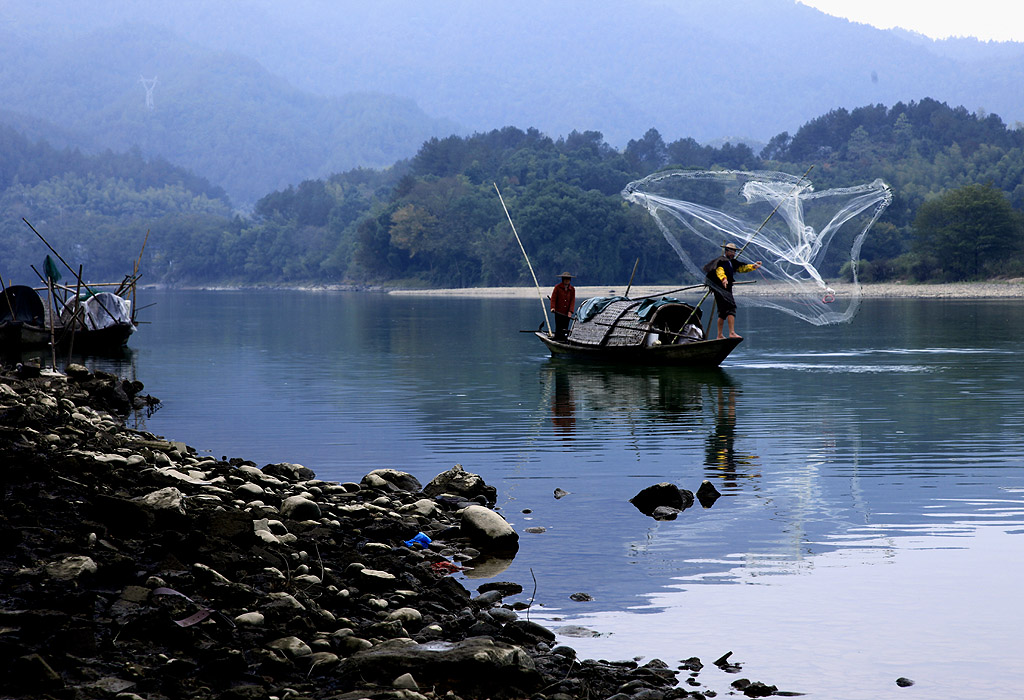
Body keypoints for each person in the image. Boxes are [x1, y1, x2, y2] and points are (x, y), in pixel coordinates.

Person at [703, 243, 762, 339]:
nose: (733, 253)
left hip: (727, 288)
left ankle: (720, 335)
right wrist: (724, 279)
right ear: (726, 251)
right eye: (731, 251)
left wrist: (754, 266)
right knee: (731, 308)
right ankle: (731, 333)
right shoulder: (722, 261)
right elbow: (720, 271)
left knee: (722, 312)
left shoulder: (732, 262)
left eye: (734, 251)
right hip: (721, 288)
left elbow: (742, 268)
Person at [550, 272, 576, 340]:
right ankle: (557, 338)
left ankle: (564, 339)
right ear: (563, 279)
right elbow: (553, 298)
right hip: (558, 311)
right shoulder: (557, 287)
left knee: (565, 327)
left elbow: (572, 301)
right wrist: (553, 308)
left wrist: (570, 311)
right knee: (558, 326)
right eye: (565, 279)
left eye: (568, 279)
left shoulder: (572, 289)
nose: (567, 281)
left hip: (566, 312)